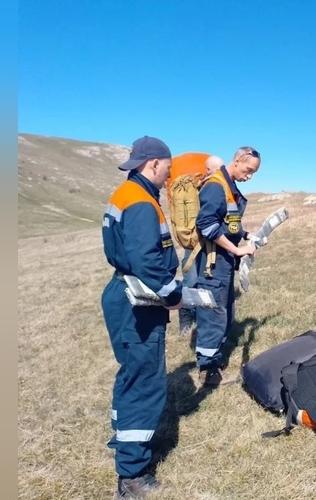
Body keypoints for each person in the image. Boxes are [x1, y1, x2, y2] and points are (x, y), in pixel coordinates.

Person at [100, 136, 183, 498]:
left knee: (131, 374)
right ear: (153, 163)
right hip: (138, 302)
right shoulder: (139, 202)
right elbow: (146, 260)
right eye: (167, 167)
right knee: (145, 384)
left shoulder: (128, 194)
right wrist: (173, 296)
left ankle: (124, 441)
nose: (170, 174)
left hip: (125, 295)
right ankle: (131, 475)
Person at [191, 147, 261, 385]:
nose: (249, 176)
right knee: (213, 315)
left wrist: (247, 234)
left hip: (224, 262)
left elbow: (229, 224)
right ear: (237, 160)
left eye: (253, 173)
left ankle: (216, 359)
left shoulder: (229, 188)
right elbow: (207, 226)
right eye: (248, 169)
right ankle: (208, 370)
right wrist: (238, 250)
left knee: (226, 313)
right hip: (213, 264)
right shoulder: (215, 186)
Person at [172, 153, 226, 336]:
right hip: (194, 245)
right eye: (218, 170)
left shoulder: (217, 186)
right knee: (191, 282)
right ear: (209, 169)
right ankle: (186, 320)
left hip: (211, 243)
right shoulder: (202, 187)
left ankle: (205, 318)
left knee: (205, 281)